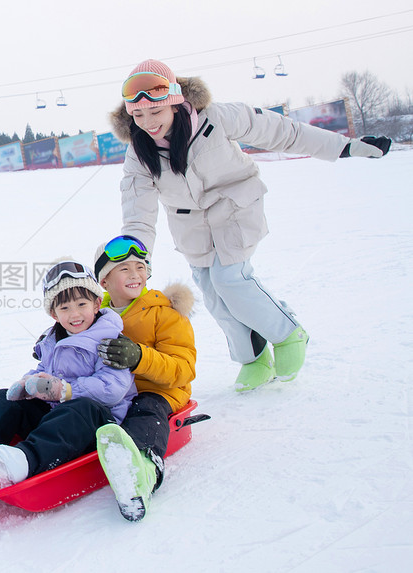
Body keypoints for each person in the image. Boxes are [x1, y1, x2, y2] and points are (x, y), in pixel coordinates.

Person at [110, 59, 391, 392]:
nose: (147, 124)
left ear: (174, 100)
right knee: (211, 290)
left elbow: (285, 132)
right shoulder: (138, 153)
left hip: (235, 204)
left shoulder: (217, 118)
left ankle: (287, 334)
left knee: (230, 277)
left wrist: (345, 147)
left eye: (155, 112)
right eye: (138, 116)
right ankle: (253, 358)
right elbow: (138, 212)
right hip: (190, 223)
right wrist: (134, 258)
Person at [0, 261, 136, 488]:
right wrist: (28, 384)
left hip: (98, 424)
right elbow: (44, 371)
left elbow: (114, 388)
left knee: (79, 408)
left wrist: (66, 390)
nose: (75, 314)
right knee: (4, 400)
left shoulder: (110, 340)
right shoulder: (53, 339)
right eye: (65, 308)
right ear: (53, 313)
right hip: (57, 419)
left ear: (97, 303)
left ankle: (26, 461)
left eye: (82, 304)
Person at [91, 235, 197, 521]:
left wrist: (140, 357)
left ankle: (143, 470)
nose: (135, 274)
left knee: (145, 411)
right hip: (110, 390)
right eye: (124, 269)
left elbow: (183, 368)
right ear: (104, 281)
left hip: (156, 392)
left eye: (140, 267)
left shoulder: (165, 314)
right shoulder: (92, 312)